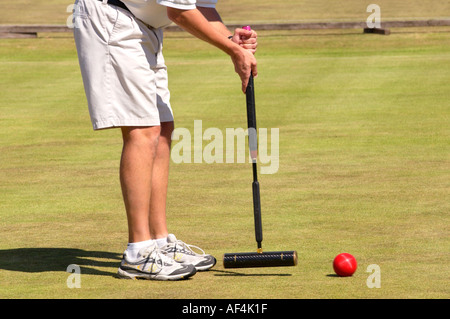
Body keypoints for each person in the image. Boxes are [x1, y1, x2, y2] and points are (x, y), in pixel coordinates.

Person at [73, 0, 257, 281]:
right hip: (110, 16)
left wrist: (231, 39)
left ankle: (160, 242)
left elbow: (201, 7)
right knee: (142, 130)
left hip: (144, 24)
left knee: (162, 128)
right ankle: (138, 252)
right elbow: (179, 12)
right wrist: (233, 50)